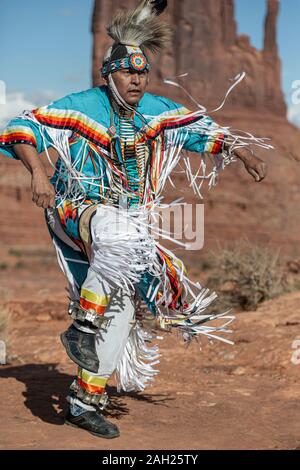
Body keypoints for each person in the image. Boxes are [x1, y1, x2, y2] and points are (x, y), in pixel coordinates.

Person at [0, 0, 269, 439]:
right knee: (121, 234)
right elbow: (20, 127)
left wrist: (239, 150)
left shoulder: (156, 111)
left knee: (122, 308)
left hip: (124, 223)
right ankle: (82, 328)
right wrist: (38, 172)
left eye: (142, 74)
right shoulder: (81, 105)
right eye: (128, 73)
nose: (137, 81)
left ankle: (82, 400)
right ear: (109, 75)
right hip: (77, 211)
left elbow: (201, 130)